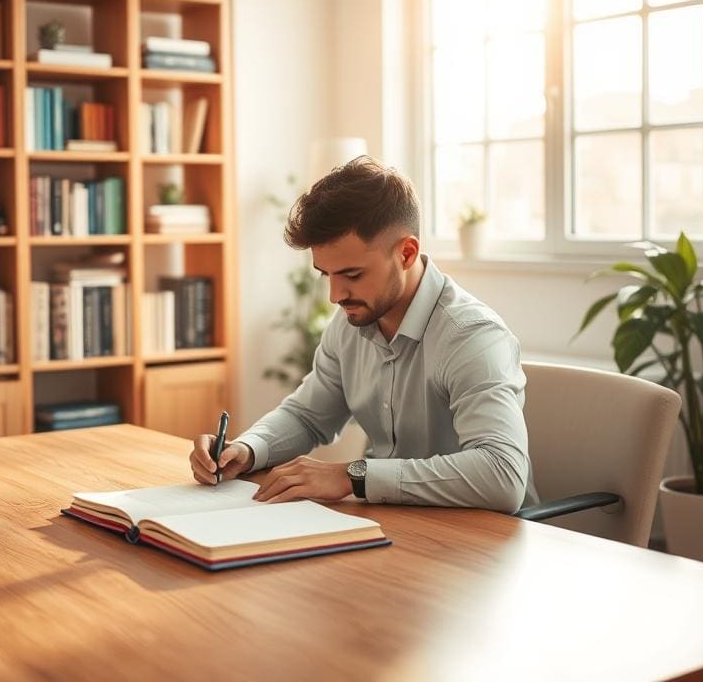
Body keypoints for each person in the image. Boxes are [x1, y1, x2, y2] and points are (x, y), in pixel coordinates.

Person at [189, 156, 537, 512]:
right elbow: (307, 416)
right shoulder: (349, 325)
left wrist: (353, 476)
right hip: (395, 520)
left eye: (352, 275)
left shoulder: (472, 337)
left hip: (483, 534)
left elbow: (503, 475)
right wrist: (246, 449)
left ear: (406, 253)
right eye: (326, 274)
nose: (335, 295)